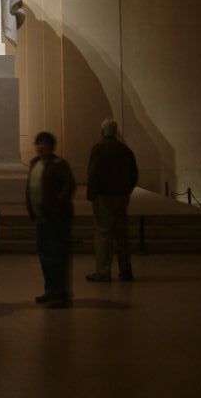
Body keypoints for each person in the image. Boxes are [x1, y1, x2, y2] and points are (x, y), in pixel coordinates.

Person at [26, 131, 76, 309]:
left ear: (51, 146)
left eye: (44, 143)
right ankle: (51, 291)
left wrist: (56, 206)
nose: (40, 146)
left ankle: (61, 293)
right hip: (41, 218)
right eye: (38, 143)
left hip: (56, 219)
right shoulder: (34, 163)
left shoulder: (59, 164)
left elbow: (68, 186)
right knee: (45, 256)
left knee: (57, 256)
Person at [86, 118, 139, 282]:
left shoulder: (99, 149)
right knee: (122, 235)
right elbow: (134, 174)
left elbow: (93, 173)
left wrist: (91, 194)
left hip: (104, 197)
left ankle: (103, 271)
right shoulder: (125, 149)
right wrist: (127, 190)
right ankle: (126, 270)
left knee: (104, 234)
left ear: (102, 131)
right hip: (122, 196)